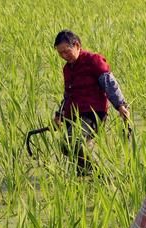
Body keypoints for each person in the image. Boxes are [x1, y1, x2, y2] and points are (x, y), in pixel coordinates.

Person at [52, 29, 130, 175]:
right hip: (74, 115)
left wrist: (120, 105)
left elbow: (109, 83)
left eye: (66, 51)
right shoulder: (67, 69)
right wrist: (60, 114)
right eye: (60, 53)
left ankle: (100, 177)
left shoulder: (93, 60)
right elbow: (68, 94)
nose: (63, 56)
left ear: (77, 45)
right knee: (66, 147)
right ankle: (85, 177)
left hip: (92, 115)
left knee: (72, 143)